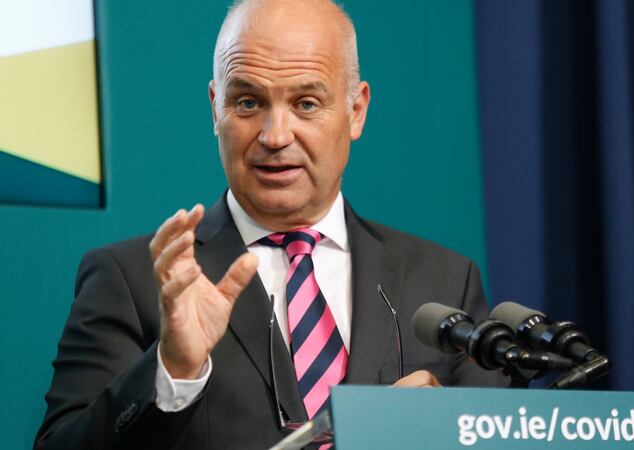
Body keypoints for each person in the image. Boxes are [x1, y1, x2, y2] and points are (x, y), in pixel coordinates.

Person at [34, 0, 503, 448]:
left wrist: (442, 432)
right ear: (215, 107)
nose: (275, 136)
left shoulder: (445, 281)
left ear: (355, 111)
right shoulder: (130, 278)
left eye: (305, 104)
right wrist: (172, 368)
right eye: (248, 103)